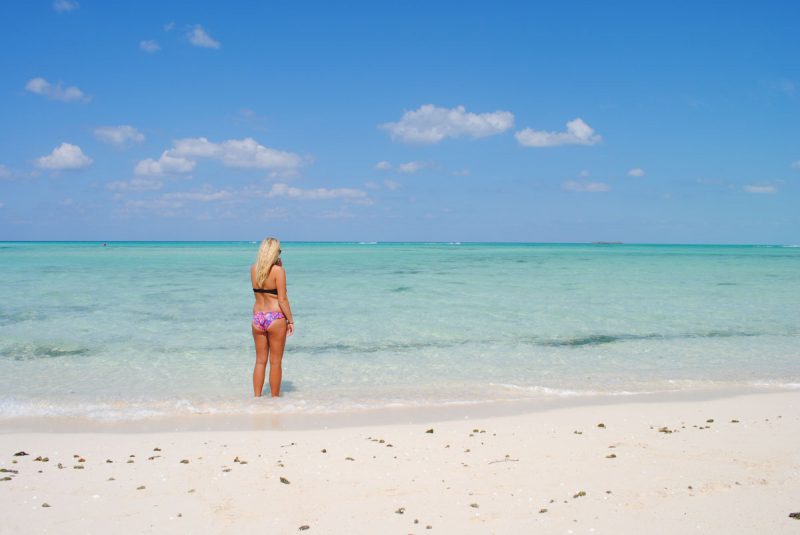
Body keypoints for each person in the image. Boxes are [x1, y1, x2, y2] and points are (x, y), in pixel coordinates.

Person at [250, 237, 294, 397]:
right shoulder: (278, 271)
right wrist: (290, 320)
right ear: (275, 253)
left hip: (257, 318)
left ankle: (257, 399)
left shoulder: (253, 269)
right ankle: (275, 400)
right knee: (275, 362)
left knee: (260, 361)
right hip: (275, 318)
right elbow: (282, 298)